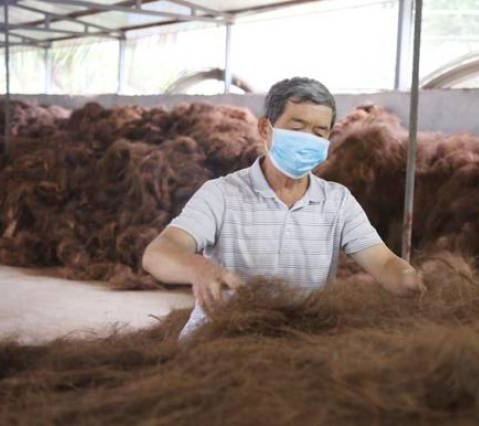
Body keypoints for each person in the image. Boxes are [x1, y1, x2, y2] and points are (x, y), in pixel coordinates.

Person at [142, 77, 426, 341]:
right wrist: (198, 268)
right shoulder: (222, 194)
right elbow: (159, 252)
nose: (308, 139)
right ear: (266, 129)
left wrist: (406, 279)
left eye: (319, 132)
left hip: (299, 340)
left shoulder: (337, 201)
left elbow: (382, 261)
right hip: (221, 339)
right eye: (297, 128)